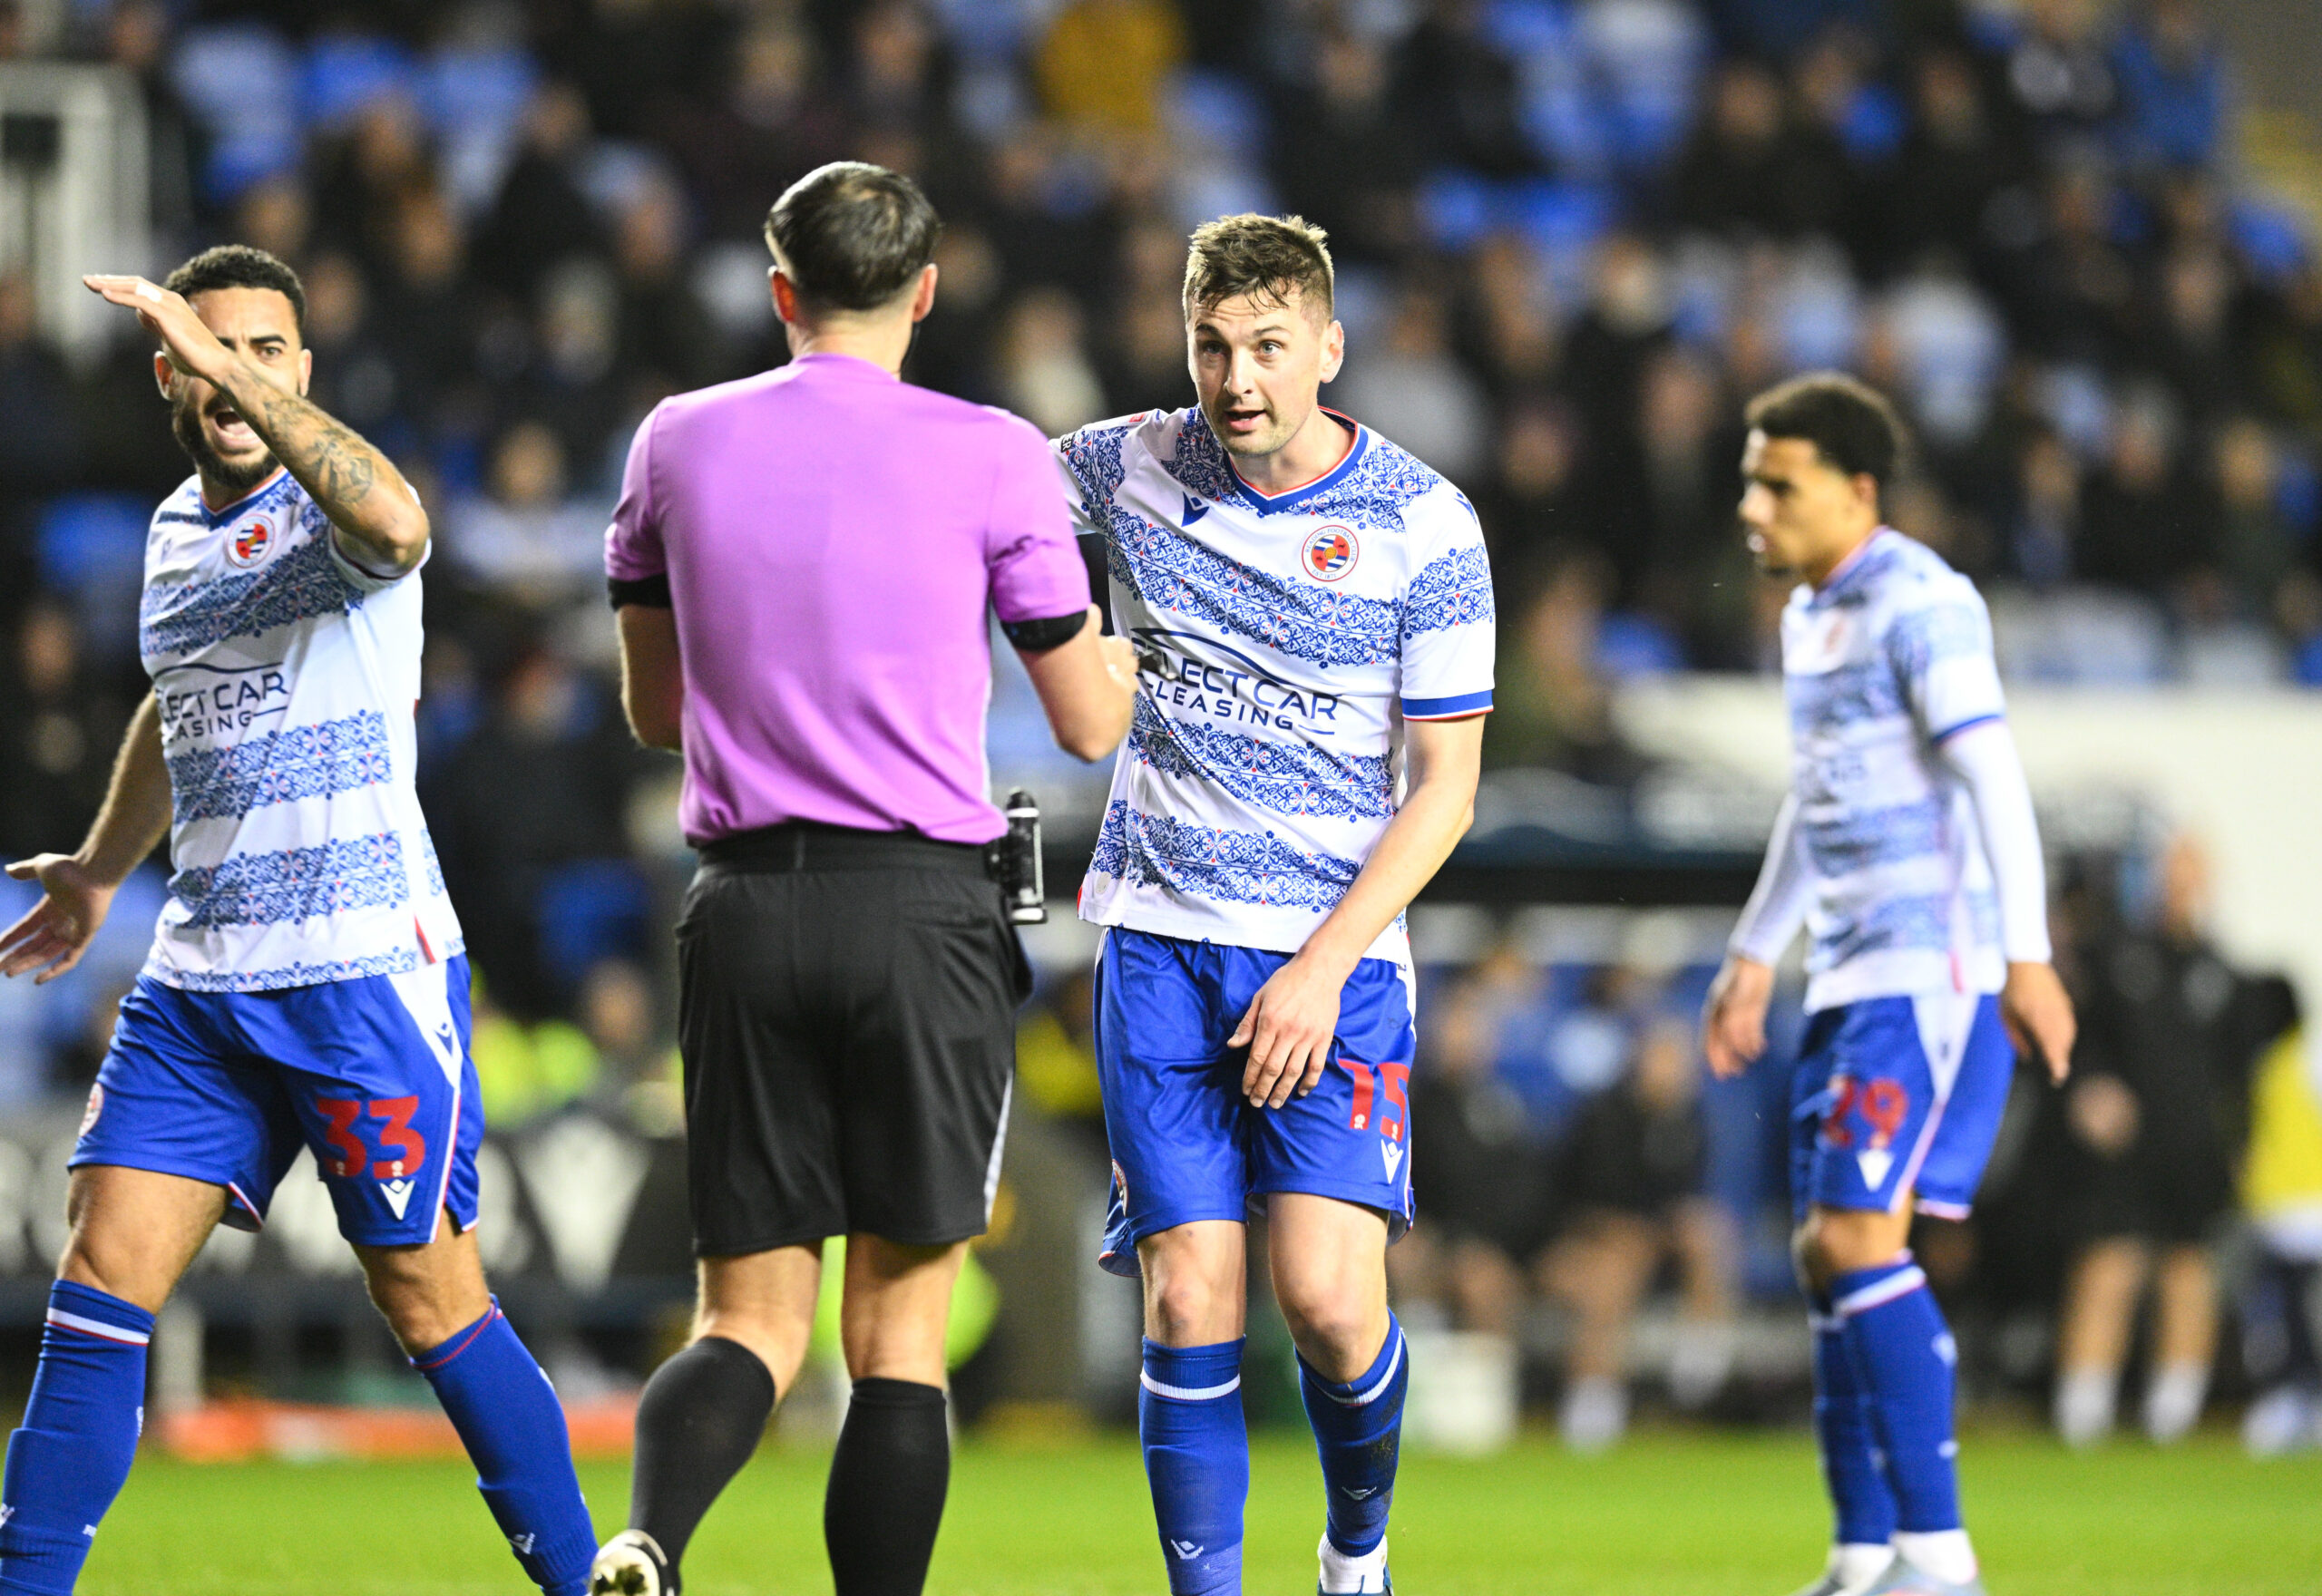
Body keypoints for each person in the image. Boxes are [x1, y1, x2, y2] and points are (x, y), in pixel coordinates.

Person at [0, 248, 599, 1596]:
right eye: (207, 352)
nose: (234, 375)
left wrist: (237, 375)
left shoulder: (337, 512)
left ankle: (587, 1582)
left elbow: (401, 528)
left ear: (301, 371)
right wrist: (99, 867)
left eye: (264, 350)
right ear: (164, 378)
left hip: (359, 973)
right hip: (202, 980)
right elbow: (178, 696)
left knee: (428, 1300)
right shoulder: (170, 533)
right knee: (98, 1272)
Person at [591, 162, 1136, 1596]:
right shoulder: (995, 452)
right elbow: (1087, 723)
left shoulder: (674, 440)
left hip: (744, 904)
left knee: (747, 1324)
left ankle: (648, 1539)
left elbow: (656, 711)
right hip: (921, 912)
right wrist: (1134, 657)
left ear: (781, 289)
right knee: (898, 1345)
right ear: (928, 291)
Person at [1055, 213, 1495, 1596]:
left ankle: (1356, 1549)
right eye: (1211, 346)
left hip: (1333, 961)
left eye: (1266, 346)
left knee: (1328, 1304)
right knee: (1191, 1294)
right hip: (1160, 941)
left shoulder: (1424, 524)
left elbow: (1446, 792)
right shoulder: (1121, 464)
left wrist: (1319, 970)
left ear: (1329, 348)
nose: (1236, 379)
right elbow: (974, 508)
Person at [1701, 373, 2076, 1596]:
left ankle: (1938, 1556)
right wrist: (1756, 951)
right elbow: (1819, 806)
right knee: (1825, 1254)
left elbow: (1993, 781)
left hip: (1933, 971)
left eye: (1779, 484)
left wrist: (2028, 956)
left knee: (1857, 1235)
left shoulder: (1923, 603)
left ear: (1858, 491)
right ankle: (1864, 1555)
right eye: (1750, 481)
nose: (1753, 506)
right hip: (1851, 972)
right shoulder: (1813, 616)